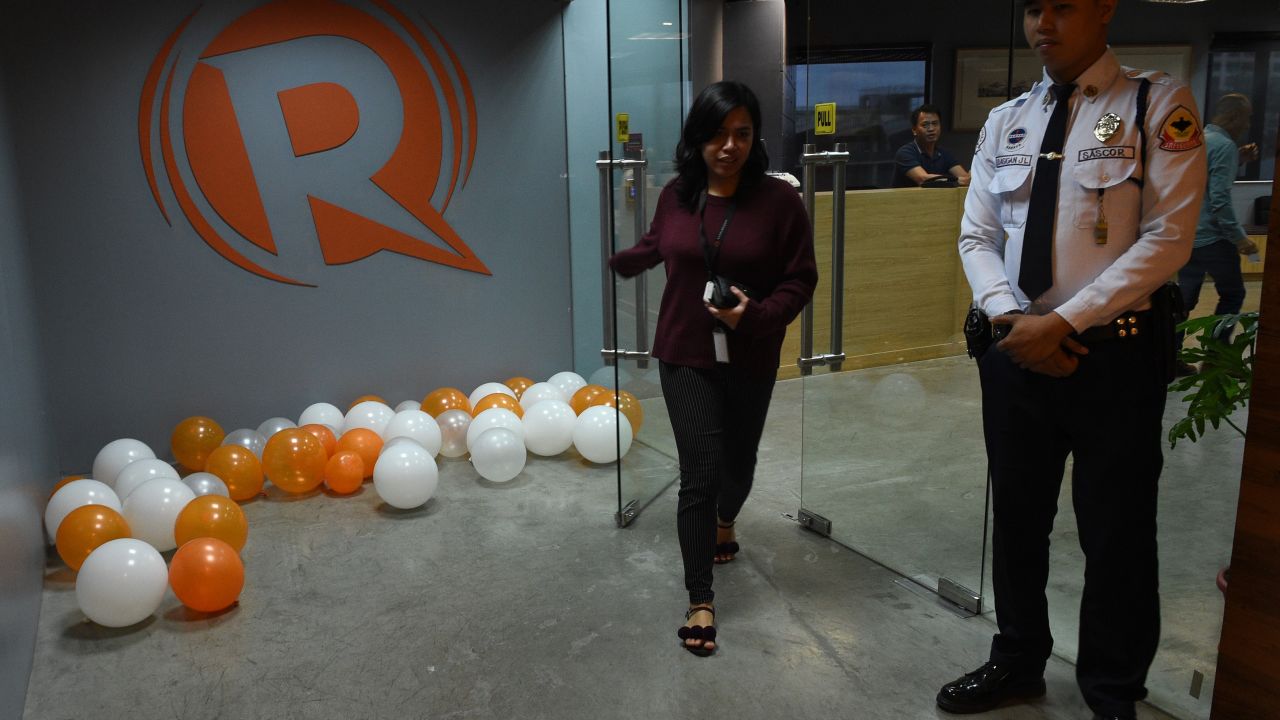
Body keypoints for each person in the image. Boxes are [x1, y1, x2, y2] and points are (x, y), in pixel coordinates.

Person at [942, 1, 1206, 719]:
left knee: (1116, 532)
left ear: (1104, 8)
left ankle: (1112, 690)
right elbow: (978, 236)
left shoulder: (1157, 105)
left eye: (1062, 5)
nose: (1042, 22)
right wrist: (1011, 320)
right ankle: (1019, 659)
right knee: (1018, 520)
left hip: (1114, 359)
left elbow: (1169, 240)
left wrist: (1061, 322)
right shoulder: (1008, 120)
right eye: (1032, 8)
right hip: (1015, 351)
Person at [609, 81, 817, 657]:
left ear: (755, 139)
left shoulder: (780, 203)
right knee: (699, 468)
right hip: (684, 350)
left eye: (742, 133)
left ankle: (728, 520)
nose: (730, 145)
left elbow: (802, 279)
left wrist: (757, 313)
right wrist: (623, 260)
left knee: (738, 464)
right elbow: (661, 242)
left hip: (749, 350)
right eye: (718, 133)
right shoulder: (677, 194)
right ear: (697, 137)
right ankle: (700, 594)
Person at [1176, 93, 1259, 352]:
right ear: (1234, 117)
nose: (1247, 126)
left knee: (1185, 300)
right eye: (1246, 119)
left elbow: (1197, 181)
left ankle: (1171, 356)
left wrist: (1238, 157)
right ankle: (1216, 354)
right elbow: (1219, 198)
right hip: (1213, 238)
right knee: (1233, 294)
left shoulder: (1197, 139)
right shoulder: (1224, 146)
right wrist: (1239, 238)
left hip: (1188, 237)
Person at [892, 103, 971, 187]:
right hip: (905, 199)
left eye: (935, 123)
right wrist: (957, 181)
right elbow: (923, 179)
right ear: (914, 130)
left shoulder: (944, 153)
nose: (931, 129)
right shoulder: (905, 152)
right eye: (925, 125)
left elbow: (965, 178)